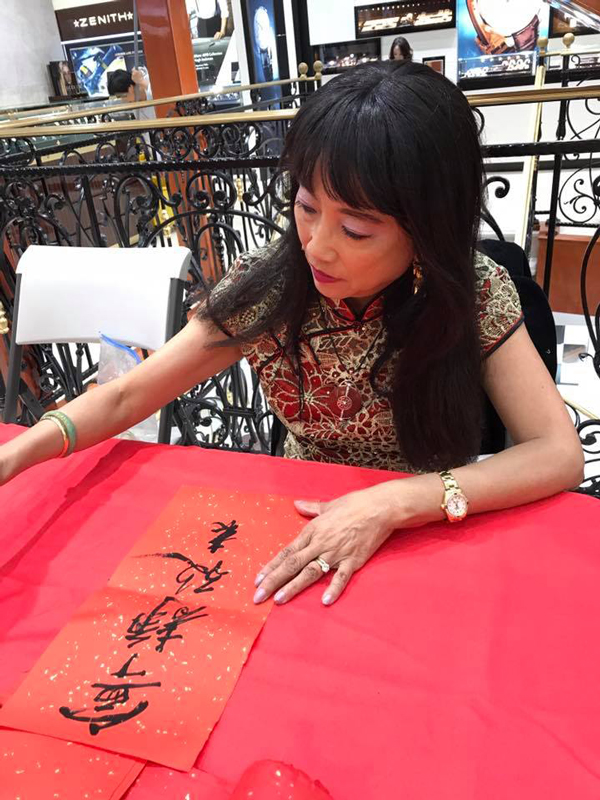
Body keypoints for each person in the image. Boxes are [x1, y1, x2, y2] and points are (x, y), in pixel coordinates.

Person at [0, 63, 583, 611]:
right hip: (301, 523)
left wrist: (397, 501)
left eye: (355, 230)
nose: (317, 247)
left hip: (429, 528)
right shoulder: (269, 286)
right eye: (306, 206)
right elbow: (129, 395)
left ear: (429, 231)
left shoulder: (473, 291)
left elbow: (557, 453)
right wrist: (19, 453)